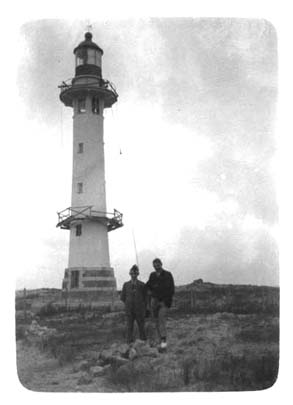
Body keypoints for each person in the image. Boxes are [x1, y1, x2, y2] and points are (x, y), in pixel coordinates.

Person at [146, 258, 175, 350]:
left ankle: (164, 345)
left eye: (157, 264)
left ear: (161, 264)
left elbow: (171, 290)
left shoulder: (168, 275)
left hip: (163, 303)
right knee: (155, 322)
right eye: (154, 265)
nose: (156, 267)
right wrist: (148, 291)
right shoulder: (152, 275)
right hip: (154, 302)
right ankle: (159, 342)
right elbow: (148, 285)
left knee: (161, 322)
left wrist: (164, 302)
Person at [120, 264, 147, 344]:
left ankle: (143, 343)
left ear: (138, 274)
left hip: (139, 310)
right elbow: (123, 297)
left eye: (135, 273)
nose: (133, 275)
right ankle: (129, 344)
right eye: (132, 273)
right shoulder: (126, 285)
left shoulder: (142, 285)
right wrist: (129, 303)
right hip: (129, 310)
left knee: (141, 327)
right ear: (130, 274)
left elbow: (145, 298)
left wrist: (144, 308)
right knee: (129, 328)